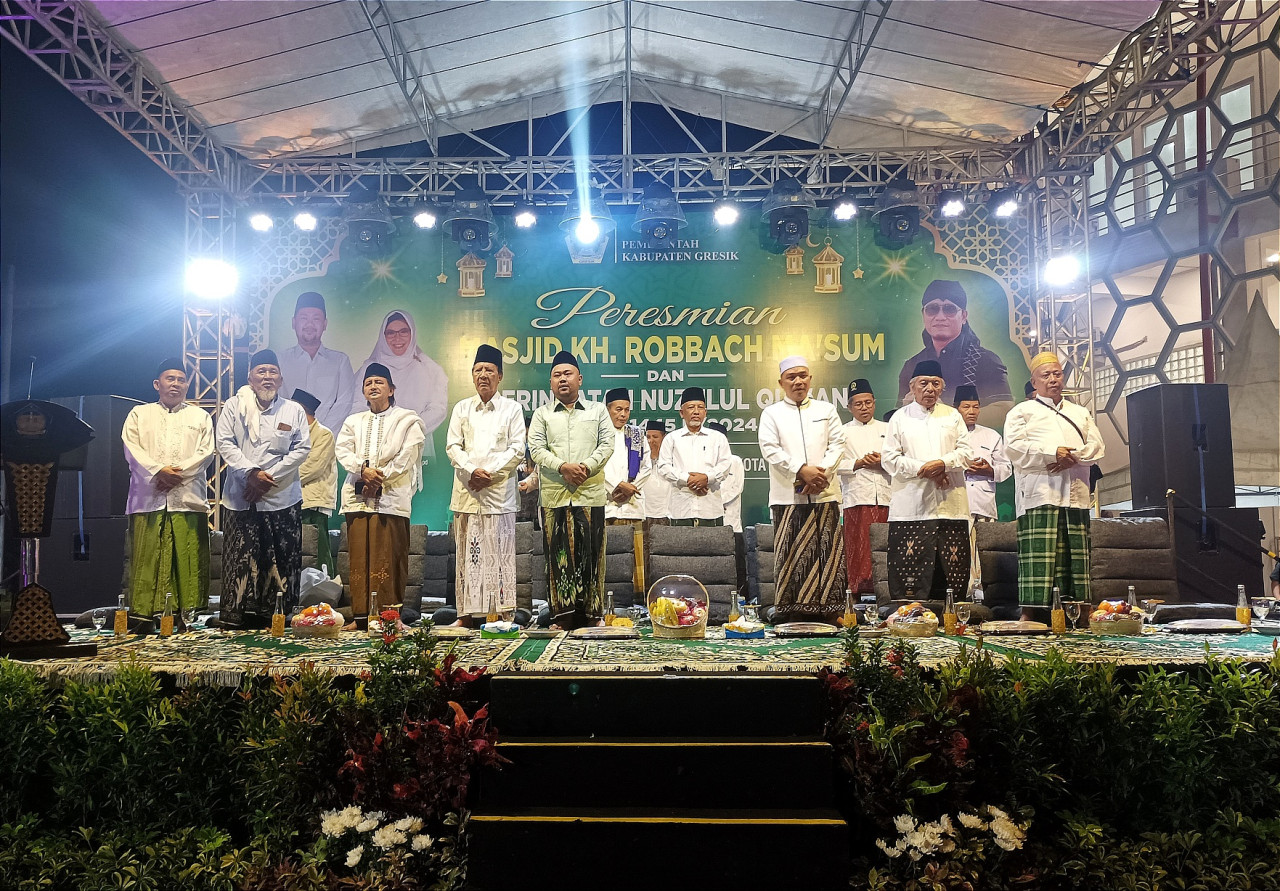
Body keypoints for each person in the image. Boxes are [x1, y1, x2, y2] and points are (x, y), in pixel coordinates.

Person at [215, 349, 311, 628]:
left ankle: (278, 615)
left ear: (281, 379)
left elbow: (301, 448)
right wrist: (250, 473)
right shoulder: (234, 406)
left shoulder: (292, 410)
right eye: (261, 372)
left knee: (283, 558)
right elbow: (224, 442)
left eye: (272, 372)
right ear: (250, 377)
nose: (267, 377)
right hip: (242, 495)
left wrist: (267, 478)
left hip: (281, 495)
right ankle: (238, 617)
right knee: (241, 558)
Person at [1004, 352, 1104, 616]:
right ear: (1034, 382)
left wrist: (1073, 457)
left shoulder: (1080, 412)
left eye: (1057, 374)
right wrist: (1052, 453)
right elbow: (1014, 449)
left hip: (1076, 495)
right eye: (1046, 375)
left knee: (1076, 556)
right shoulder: (1021, 412)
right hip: (1040, 495)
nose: (1053, 380)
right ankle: (1032, 613)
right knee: (1039, 556)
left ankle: (1079, 612)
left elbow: (1097, 447)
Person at [121, 358, 215, 620]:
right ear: (157, 383)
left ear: (187, 385)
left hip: (187, 498)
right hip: (148, 498)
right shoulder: (139, 414)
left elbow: (206, 453)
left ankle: (188, 615)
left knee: (187, 557)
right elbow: (131, 449)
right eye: (170, 378)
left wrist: (176, 473)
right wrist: (158, 471)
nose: (176, 384)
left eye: (181, 379)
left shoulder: (200, 416)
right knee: (147, 556)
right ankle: (143, 615)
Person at [527, 351, 614, 629]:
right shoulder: (541, 414)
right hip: (554, 497)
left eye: (567, 374)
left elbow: (607, 445)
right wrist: (563, 466)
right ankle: (561, 617)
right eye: (556, 375)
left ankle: (592, 615)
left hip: (590, 496)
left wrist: (586, 467)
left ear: (580, 378)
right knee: (557, 557)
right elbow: (536, 449)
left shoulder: (598, 411)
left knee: (592, 557)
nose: (562, 379)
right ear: (550, 383)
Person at [758, 356, 847, 621]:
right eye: (792, 377)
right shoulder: (771, 413)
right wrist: (801, 469)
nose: (798, 381)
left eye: (803, 376)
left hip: (824, 493)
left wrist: (821, 473)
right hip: (788, 496)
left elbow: (838, 444)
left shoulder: (826, 410)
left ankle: (831, 611)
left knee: (828, 553)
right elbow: (770, 449)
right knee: (791, 553)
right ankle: (790, 611)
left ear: (810, 379)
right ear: (781, 383)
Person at [336, 363, 426, 618]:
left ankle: (388, 617)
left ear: (391, 389)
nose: (373, 387)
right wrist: (363, 470)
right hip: (358, 498)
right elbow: (342, 450)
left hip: (392, 499)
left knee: (389, 556)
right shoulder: (353, 421)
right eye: (368, 383)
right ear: (363, 392)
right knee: (359, 559)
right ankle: (362, 616)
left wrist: (380, 477)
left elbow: (409, 454)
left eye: (379, 382)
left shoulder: (407, 420)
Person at [445, 344, 525, 626]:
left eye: (489, 370)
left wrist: (487, 473)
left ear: (500, 376)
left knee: (500, 556)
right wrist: (472, 471)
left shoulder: (512, 409)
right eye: (478, 370)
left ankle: (503, 614)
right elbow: (453, 446)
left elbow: (517, 449)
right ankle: (465, 616)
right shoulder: (462, 408)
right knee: (468, 555)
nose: (483, 375)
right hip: (468, 494)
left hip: (499, 496)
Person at [882, 360, 973, 602]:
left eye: (935, 383)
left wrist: (942, 464)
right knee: (910, 573)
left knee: (951, 573)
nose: (929, 388)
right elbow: (889, 459)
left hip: (950, 506)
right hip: (911, 508)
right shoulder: (899, 418)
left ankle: (950, 618)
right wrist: (925, 468)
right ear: (912, 387)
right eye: (923, 383)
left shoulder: (952, 416)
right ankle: (910, 616)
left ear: (943, 387)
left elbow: (966, 453)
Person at [897, 280, 1011, 421]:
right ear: (923, 314)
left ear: (963, 316)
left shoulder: (985, 360)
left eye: (949, 309)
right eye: (932, 309)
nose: (940, 317)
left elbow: (1004, 409)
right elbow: (899, 414)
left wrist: (945, 414)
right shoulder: (911, 365)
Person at [352, 309, 447, 461]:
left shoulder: (430, 369)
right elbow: (358, 408)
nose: (397, 338)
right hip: (377, 445)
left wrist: (406, 430)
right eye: (390, 333)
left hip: (417, 443)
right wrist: (383, 431)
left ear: (412, 333)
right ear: (383, 336)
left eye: (403, 331)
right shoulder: (368, 368)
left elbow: (438, 409)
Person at [277, 292, 357, 435]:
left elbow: (343, 404)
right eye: (303, 318)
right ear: (293, 323)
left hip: (327, 442)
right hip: (288, 441)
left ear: (325, 324)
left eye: (316, 319)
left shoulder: (340, 361)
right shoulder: (280, 360)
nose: (309, 324)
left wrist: (319, 435)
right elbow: (277, 402)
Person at [838, 379, 891, 596]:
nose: (864, 408)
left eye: (868, 403)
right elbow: (833, 465)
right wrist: (859, 463)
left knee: (885, 545)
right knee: (857, 546)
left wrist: (882, 462)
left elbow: (901, 460)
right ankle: (857, 591)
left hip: (886, 497)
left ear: (874, 403)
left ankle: (885, 590)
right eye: (858, 404)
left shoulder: (888, 429)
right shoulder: (841, 433)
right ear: (850, 407)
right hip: (856, 497)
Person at [658, 387, 732, 528]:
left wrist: (706, 478)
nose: (696, 412)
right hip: (681, 509)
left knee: (713, 549)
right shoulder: (672, 438)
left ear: (705, 412)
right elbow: (663, 467)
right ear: (682, 413)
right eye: (691, 407)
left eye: (700, 408)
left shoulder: (718, 438)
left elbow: (725, 465)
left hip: (710, 509)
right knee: (680, 549)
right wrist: (688, 480)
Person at [602, 388, 651, 595]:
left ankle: (637, 600)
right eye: (618, 409)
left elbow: (647, 466)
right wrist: (615, 487)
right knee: (608, 558)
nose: (623, 414)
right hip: (607, 506)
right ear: (607, 409)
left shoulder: (638, 434)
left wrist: (630, 488)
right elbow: (595, 467)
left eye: (627, 410)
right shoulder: (598, 434)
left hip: (633, 506)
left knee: (636, 560)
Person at [293, 388, 338, 576]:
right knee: (296, 553)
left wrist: (279, 479)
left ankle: (324, 593)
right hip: (293, 499)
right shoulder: (293, 434)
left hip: (313, 502)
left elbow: (313, 467)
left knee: (318, 552)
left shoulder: (323, 434)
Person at [707, 420, 747, 597]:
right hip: (711, 522)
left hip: (731, 523)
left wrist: (716, 502)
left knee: (736, 564)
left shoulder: (735, 461)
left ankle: (737, 596)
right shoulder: (705, 465)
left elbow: (735, 488)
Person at [643, 420, 674, 526]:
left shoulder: (671, 460)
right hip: (643, 514)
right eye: (648, 437)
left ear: (664, 438)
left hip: (666, 514)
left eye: (655, 437)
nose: (651, 441)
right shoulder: (639, 460)